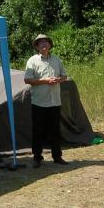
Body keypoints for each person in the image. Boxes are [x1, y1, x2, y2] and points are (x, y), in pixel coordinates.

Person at [24, 34, 68, 168]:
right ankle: (37, 158)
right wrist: (45, 81)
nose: (43, 44)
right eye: (40, 43)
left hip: (55, 101)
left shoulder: (56, 60)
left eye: (46, 42)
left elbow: (64, 76)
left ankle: (57, 156)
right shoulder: (32, 61)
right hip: (39, 102)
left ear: (50, 45)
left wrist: (59, 79)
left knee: (55, 130)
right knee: (38, 131)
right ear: (37, 47)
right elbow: (27, 80)